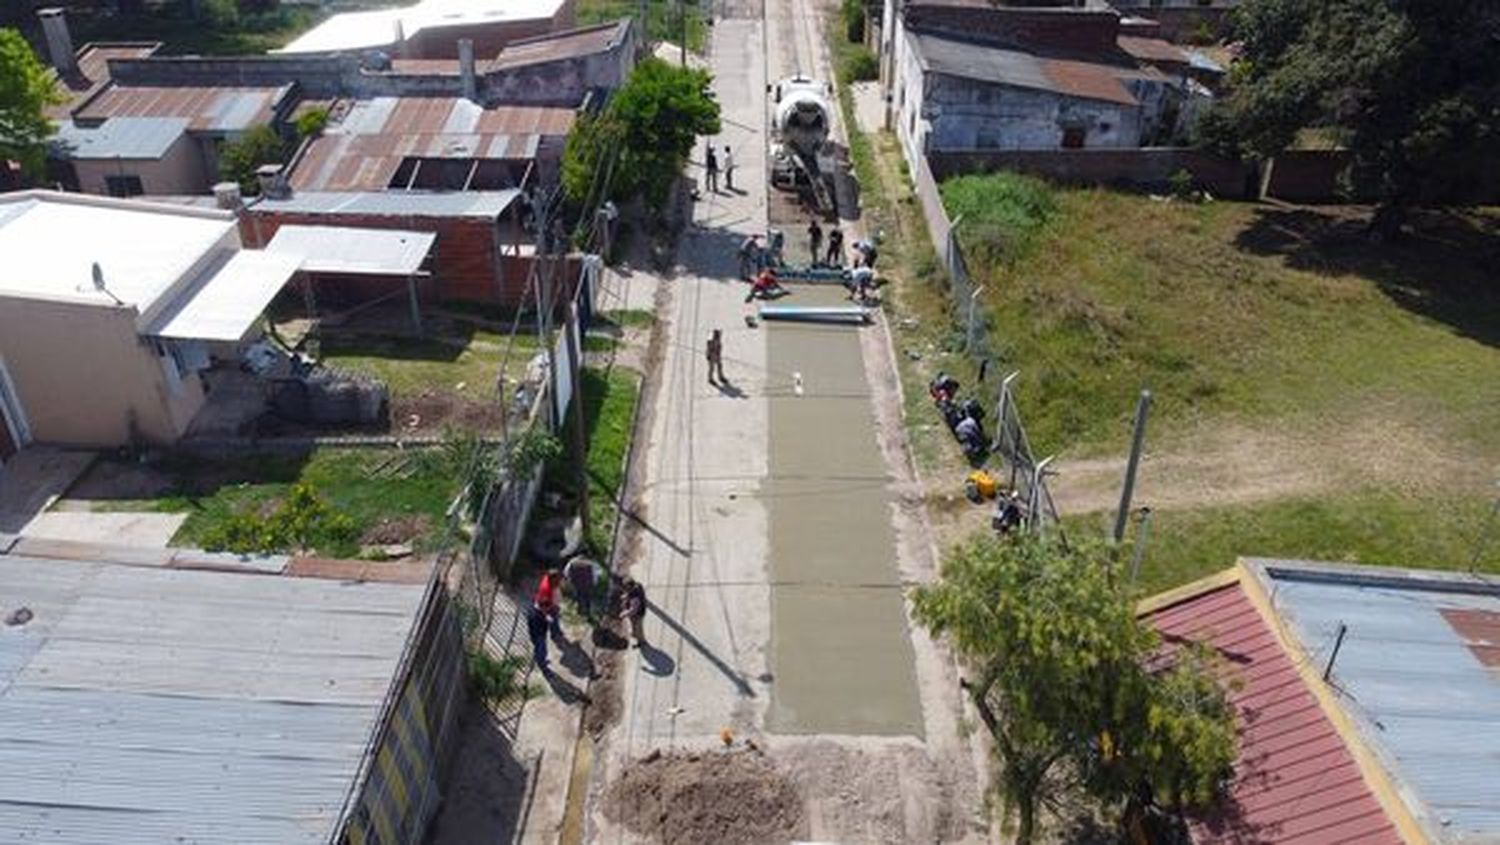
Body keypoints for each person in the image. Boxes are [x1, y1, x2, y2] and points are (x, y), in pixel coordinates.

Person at [563, 557, 597, 622]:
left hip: (577, 583)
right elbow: (594, 574)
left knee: (578, 597)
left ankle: (579, 612)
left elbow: (566, 572)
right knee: (587, 599)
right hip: (587, 584)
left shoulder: (572, 562)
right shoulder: (590, 563)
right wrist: (594, 583)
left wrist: (569, 579)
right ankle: (587, 613)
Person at [534, 569, 563, 640]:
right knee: (553, 621)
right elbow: (543, 605)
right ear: (552, 579)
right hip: (549, 608)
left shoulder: (549, 580)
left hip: (553, 605)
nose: (559, 580)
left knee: (556, 620)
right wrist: (547, 614)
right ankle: (554, 635)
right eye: (557, 579)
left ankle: (557, 631)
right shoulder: (546, 590)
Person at [619, 576, 648, 647]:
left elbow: (633, 610)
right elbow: (630, 594)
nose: (624, 589)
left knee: (638, 628)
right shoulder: (638, 586)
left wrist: (623, 614)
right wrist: (626, 596)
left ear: (629, 587)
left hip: (638, 615)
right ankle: (634, 633)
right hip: (636, 613)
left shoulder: (635, 598)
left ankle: (641, 642)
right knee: (634, 625)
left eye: (626, 588)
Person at [526, 602, 551, 668]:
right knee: (542, 650)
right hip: (538, 636)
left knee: (538, 649)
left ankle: (538, 659)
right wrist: (546, 620)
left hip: (536, 635)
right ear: (543, 607)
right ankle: (541, 663)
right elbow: (538, 627)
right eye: (546, 609)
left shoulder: (535, 612)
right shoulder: (536, 615)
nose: (547, 610)